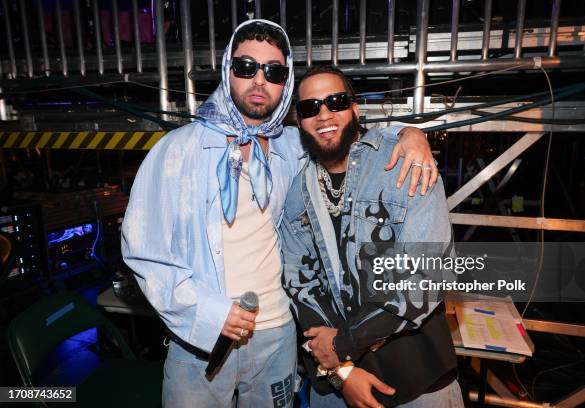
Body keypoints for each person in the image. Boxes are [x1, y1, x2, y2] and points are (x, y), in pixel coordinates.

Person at [121, 20, 436, 407]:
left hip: (277, 336)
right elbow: (143, 250)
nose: (258, 80)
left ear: (284, 82)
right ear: (226, 69)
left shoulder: (292, 144)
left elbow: (343, 129)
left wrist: (410, 134)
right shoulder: (177, 151)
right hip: (200, 339)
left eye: (273, 71)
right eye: (246, 67)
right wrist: (208, 312)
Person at [280, 65, 463, 408]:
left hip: (417, 381)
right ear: (299, 121)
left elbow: (426, 279)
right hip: (337, 387)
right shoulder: (296, 196)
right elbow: (301, 289)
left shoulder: (405, 165)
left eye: (335, 102)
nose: (324, 114)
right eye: (310, 107)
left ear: (354, 108)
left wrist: (342, 346)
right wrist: (343, 371)